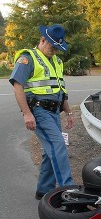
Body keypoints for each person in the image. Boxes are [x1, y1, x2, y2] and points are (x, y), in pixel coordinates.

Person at [9, 24, 76, 200]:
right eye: (52, 46)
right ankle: (68, 191)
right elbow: (18, 86)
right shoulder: (28, 58)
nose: (54, 51)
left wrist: (68, 112)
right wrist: (26, 113)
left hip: (54, 112)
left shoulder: (57, 61)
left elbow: (61, 89)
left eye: (57, 48)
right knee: (57, 146)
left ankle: (44, 190)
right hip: (38, 111)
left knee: (50, 150)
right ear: (42, 40)